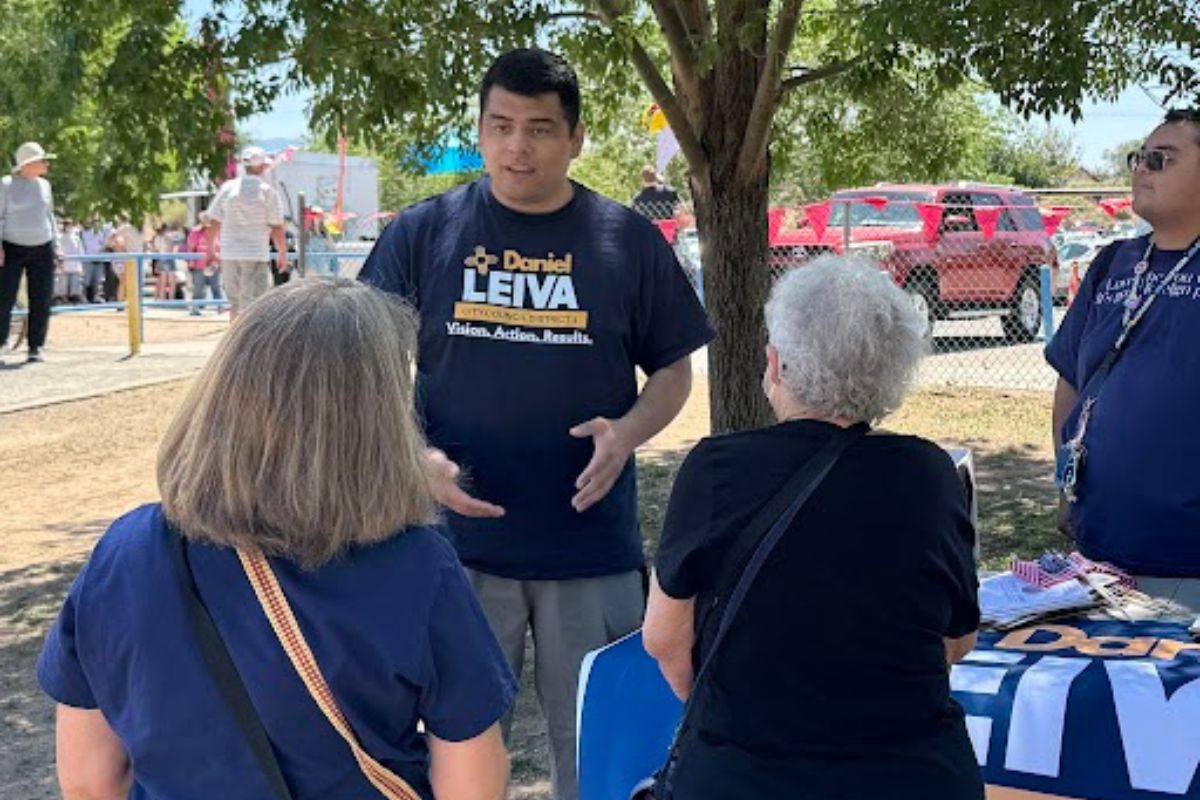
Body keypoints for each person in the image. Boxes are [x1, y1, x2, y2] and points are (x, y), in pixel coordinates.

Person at [359, 48, 713, 800]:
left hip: (587, 548)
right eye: (502, 126)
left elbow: (675, 372)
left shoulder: (627, 242)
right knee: (451, 753)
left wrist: (627, 432)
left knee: (594, 753)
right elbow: (363, 367)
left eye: (541, 129)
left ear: (577, 137)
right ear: (482, 131)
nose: (519, 146)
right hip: (450, 549)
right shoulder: (425, 234)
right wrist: (412, 455)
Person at [37, 279, 516, 800]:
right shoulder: (417, 569)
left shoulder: (124, 552)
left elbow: (88, 782)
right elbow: (472, 784)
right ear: (375, 420)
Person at [643, 256, 982, 800]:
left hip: (744, 776)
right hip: (911, 774)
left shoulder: (715, 470)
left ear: (776, 364)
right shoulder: (930, 474)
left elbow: (663, 638)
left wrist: (727, 720)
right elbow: (957, 639)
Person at [1047, 108, 1200, 596]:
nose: (1141, 169)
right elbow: (1072, 379)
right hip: (1098, 553)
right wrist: (1064, 486)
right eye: (1140, 157)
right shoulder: (1112, 262)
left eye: (1162, 159)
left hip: (1188, 563)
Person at [206, 145, 287, 319]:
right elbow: (277, 227)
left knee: (235, 303)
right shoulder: (268, 193)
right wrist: (282, 252)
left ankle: (235, 342)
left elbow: (213, 221)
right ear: (262, 167)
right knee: (255, 304)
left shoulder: (228, 188)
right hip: (255, 253)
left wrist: (211, 250)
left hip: (229, 253)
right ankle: (252, 343)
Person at [0, 142, 60, 362]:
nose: (46, 164)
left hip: (42, 246)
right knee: (4, 297)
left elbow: (50, 216)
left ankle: (36, 346)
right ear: (27, 164)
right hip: (11, 246)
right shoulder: (6, 185)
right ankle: (1, 342)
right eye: (42, 160)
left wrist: (57, 246)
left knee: (41, 298)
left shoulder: (45, 186)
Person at [187, 212, 223, 315]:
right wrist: (191, 262)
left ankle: (220, 307)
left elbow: (220, 246)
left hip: (213, 264)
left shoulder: (217, 231)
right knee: (198, 287)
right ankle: (195, 308)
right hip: (198, 264)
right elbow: (191, 247)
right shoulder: (195, 232)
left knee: (216, 286)